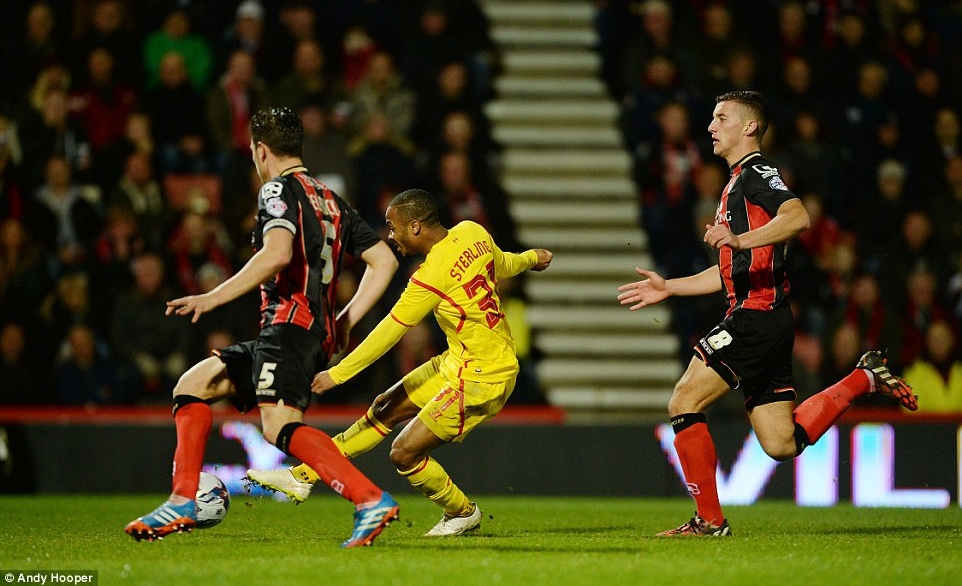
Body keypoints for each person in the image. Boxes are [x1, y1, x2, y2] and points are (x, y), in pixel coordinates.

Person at [616, 90, 918, 537]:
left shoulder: (756, 174)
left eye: (721, 118)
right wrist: (670, 286)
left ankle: (709, 521)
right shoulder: (736, 184)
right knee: (781, 443)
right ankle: (864, 378)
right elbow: (729, 271)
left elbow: (798, 217)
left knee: (683, 401)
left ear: (750, 127)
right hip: (770, 319)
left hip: (754, 316)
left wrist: (740, 240)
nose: (711, 127)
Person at [124, 107, 401, 548]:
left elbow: (277, 253)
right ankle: (181, 500)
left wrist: (212, 297)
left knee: (278, 427)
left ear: (260, 149)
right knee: (192, 386)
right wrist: (344, 319)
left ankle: (368, 498)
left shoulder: (277, 189)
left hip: (289, 326)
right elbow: (383, 260)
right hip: (304, 330)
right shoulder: (329, 198)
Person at [246, 188, 552, 536]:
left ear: (416, 226)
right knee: (384, 408)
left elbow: (388, 332)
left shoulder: (430, 275)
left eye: (393, 227)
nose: (390, 236)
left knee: (404, 453)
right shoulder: (472, 232)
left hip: (484, 378)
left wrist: (339, 373)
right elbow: (503, 263)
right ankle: (303, 476)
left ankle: (462, 512)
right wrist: (532, 258)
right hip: (460, 360)